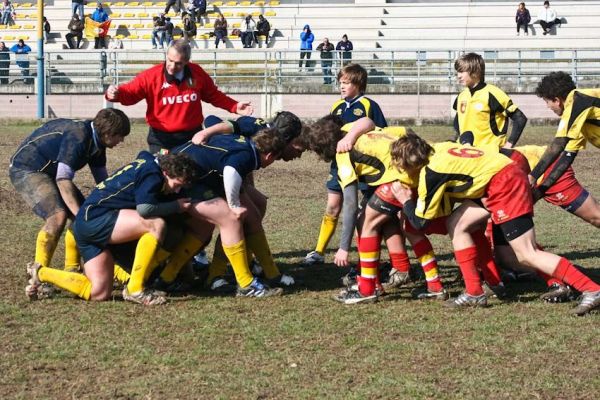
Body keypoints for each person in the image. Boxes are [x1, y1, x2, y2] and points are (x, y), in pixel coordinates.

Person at [390, 133, 600, 315]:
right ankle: (474, 292)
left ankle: (590, 288)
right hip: (496, 179)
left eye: (401, 166)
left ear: (413, 163)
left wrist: (405, 199)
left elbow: (420, 223)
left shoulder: (431, 172)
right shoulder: (438, 148)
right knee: (457, 223)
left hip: (504, 184)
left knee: (526, 254)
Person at [25, 152, 199, 305]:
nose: (177, 191)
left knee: (99, 292)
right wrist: (176, 206)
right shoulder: (151, 173)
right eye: (177, 184)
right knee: (155, 224)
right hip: (96, 219)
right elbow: (145, 209)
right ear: (166, 172)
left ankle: (41, 272)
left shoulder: (149, 163)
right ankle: (136, 289)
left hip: (85, 226)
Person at [306, 117, 448, 304]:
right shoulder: (352, 129)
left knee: (365, 224)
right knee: (411, 229)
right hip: (420, 174)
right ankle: (434, 285)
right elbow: (399, 129)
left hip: (398, 181)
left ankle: (367, 289)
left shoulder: (343, 154)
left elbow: (349, 204)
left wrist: (343, 247)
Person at [9, 108, 130, 290]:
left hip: (52, 172)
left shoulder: (97, 142)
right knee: (58, 216)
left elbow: (103, 183)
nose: (122, 141)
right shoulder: (79, 136)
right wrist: (83, 218)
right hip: (28, 168)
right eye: (120, 136)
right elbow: (63, 179)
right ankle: (38, 276)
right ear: (107, 133)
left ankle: (71, 269)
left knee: (85, 213)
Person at [166, 129, 291, 297]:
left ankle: (168, 277)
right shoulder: (246, 156)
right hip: (185, 179)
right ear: (269, 155)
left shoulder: (242, 142)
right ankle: (246, 284)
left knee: (209, 226)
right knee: (231, 219)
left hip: (190, 174)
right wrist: (233, 205)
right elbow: (231, 171)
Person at [104, 39, 253, 156]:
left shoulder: (197, 73)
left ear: (187, 62)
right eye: (169, 60)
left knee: (192, 177)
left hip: (192, 136)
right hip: (161, 139)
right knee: (164, 178)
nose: (172, 66)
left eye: (178, 64)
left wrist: (234, 106)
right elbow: (131, 92)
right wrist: (115, 94)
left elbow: (213, 95)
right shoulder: (151, 76)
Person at [303, 63, 387, 266]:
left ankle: (363, 252)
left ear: (358, 84)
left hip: (365, 166)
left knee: (364, 210)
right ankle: (319, 251)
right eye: (340, 82)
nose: (341, 86)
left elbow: (382, 131)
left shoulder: (369, 105)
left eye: (346, 83)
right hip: (339, 164)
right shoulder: (337, 106)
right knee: (333, 206)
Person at [453, 53, 527, 149]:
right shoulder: (461, 96)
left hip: (489, 155)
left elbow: (520, 119)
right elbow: (457, 122)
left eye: (462, 71)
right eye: (458, 72)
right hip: (467, 153)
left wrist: (509, 145)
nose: (458, 76)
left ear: (475, 72)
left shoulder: (493, 93)